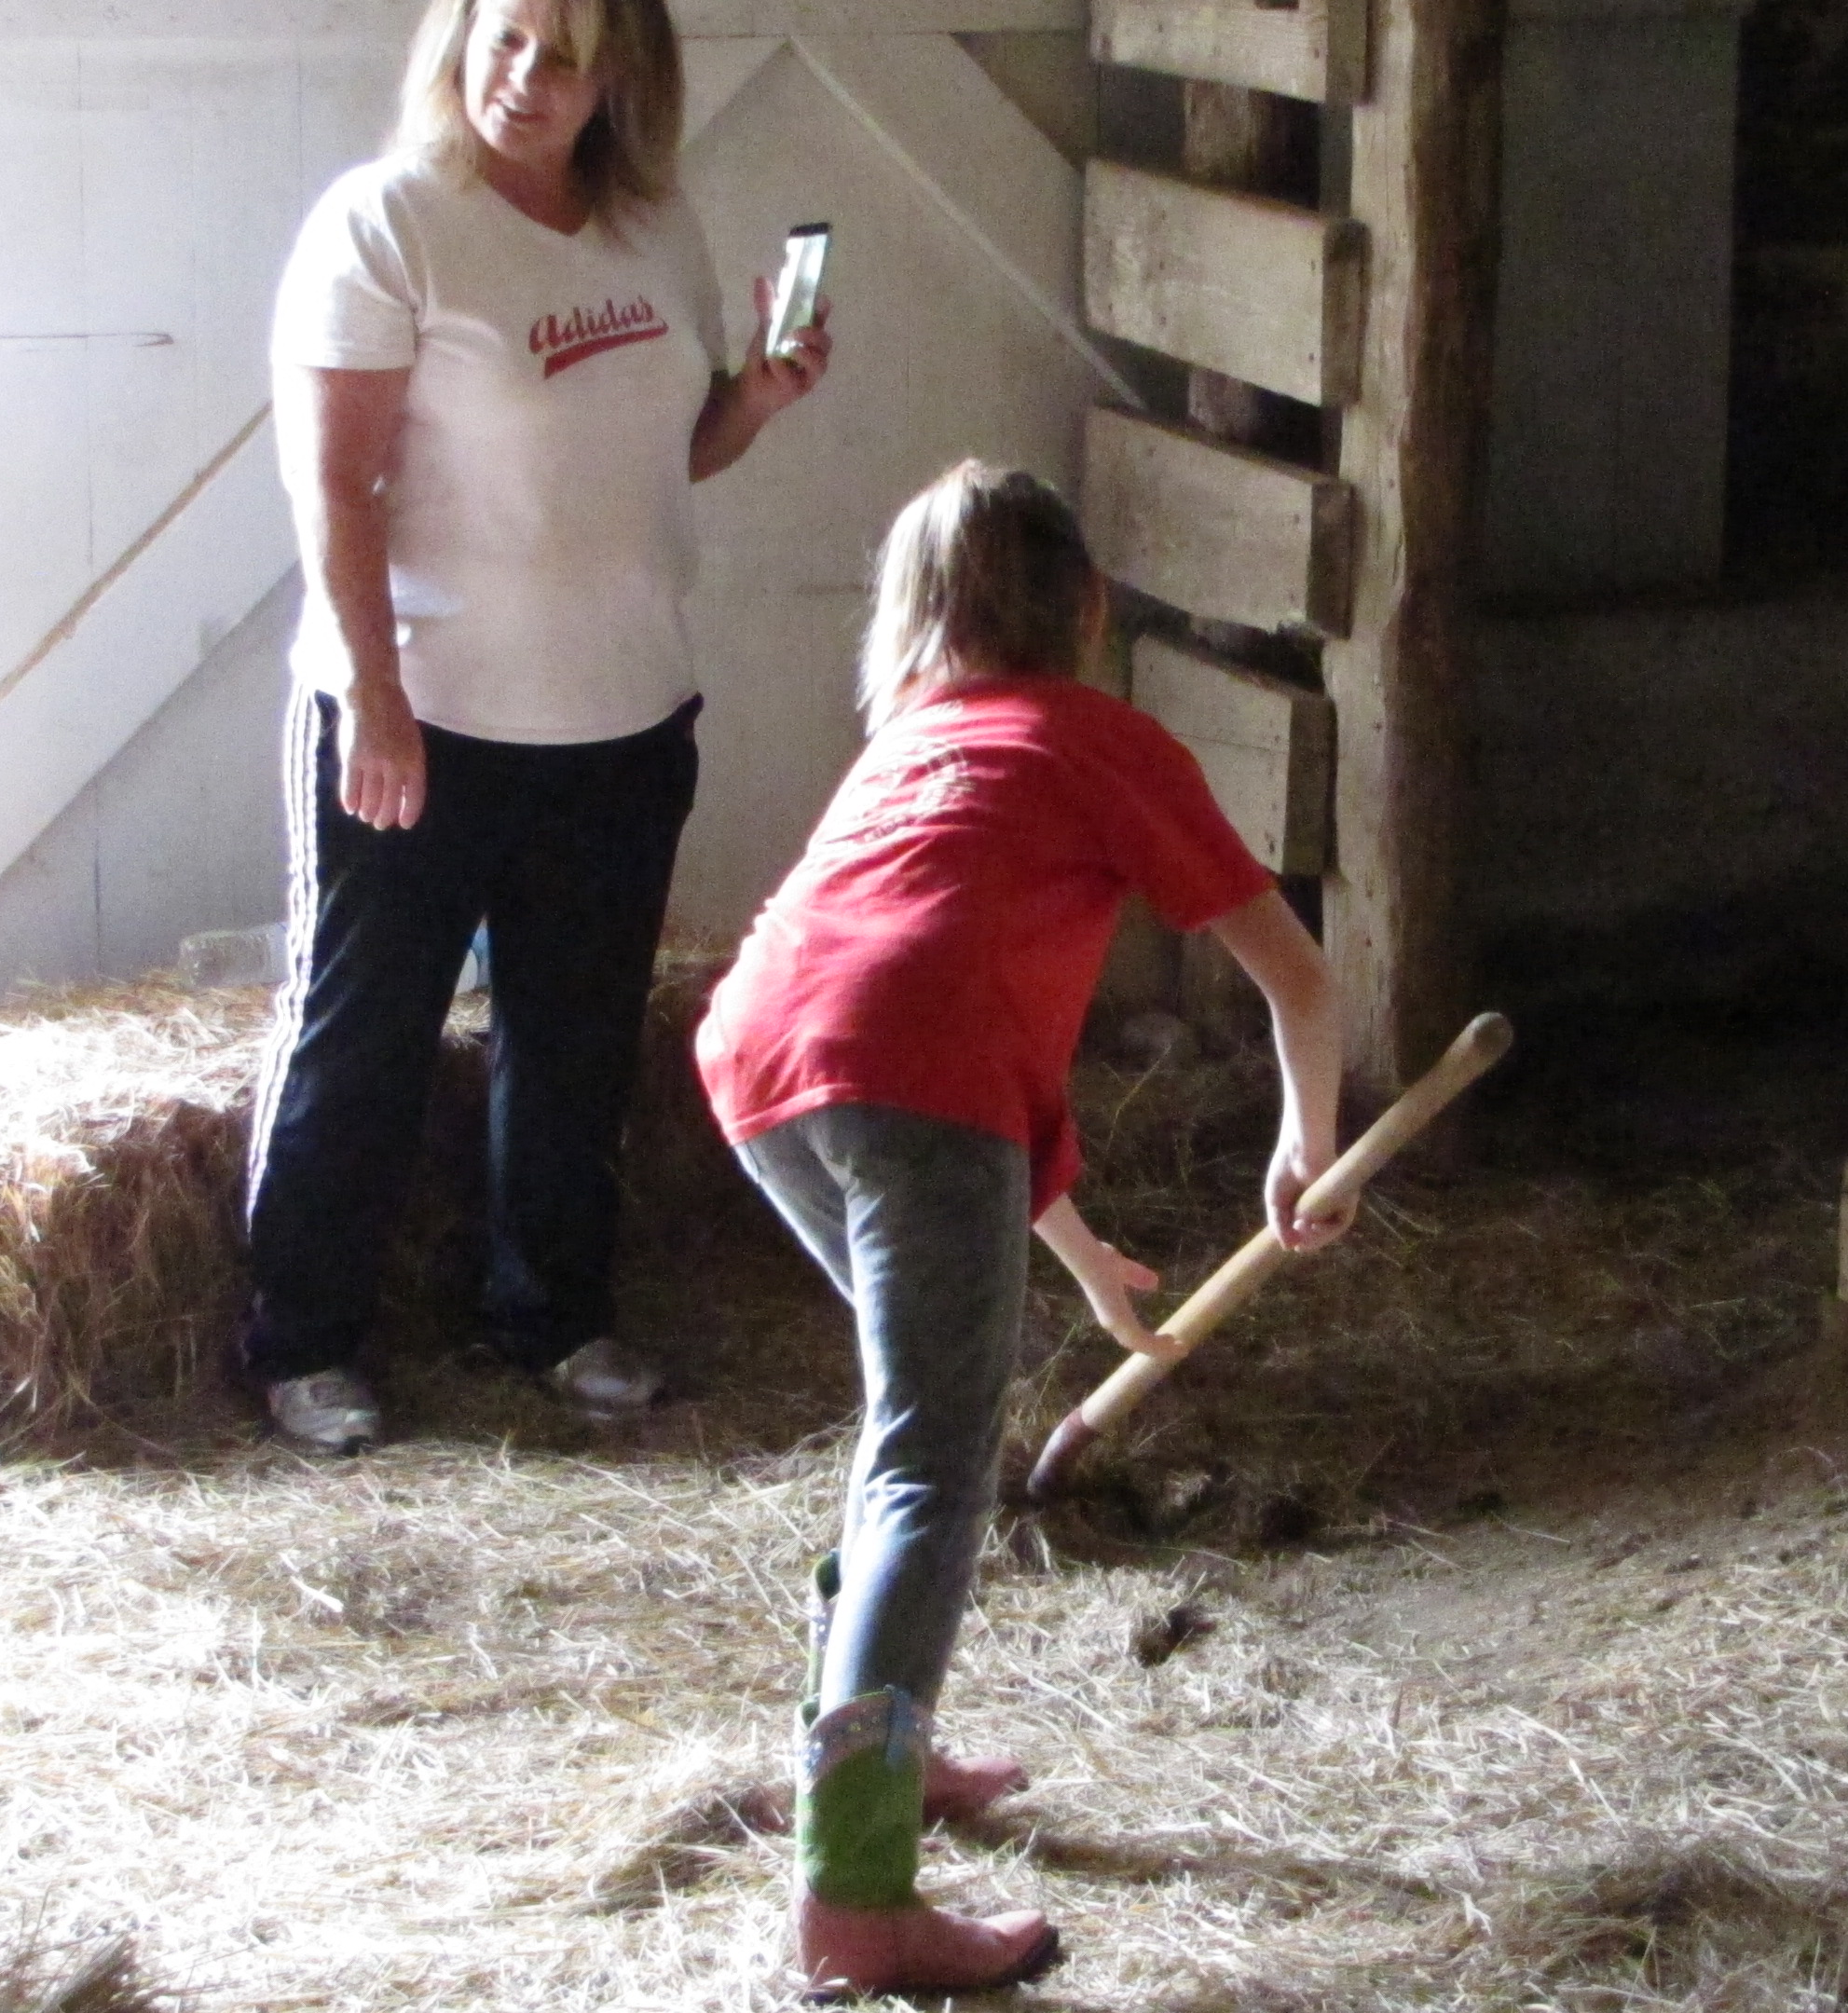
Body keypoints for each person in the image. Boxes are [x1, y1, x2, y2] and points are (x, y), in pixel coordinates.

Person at [694, 461, 1353, 1997]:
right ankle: (855, 1896)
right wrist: (1304, 1155)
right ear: (1094, 611)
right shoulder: (1098, 739)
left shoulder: (909, 747)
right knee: (933, 1460)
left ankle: (873, 1746)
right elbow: (1301, 980)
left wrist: (1079, 1256)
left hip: (757, 1066)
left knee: (903, 1428)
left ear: (916, 616)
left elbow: (911, 1011)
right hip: (899, 1083)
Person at [244, 0, 828, 1454]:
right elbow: (335, 488)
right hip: (428, 716)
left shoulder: (653, 229)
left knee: (573, 1041)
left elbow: (663, 450)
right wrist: (374, 697)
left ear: (618, 76)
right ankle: (305, 1340)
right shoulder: (388, 223)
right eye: (504, 38)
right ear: (458, 43)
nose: (524, 76)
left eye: (562, 54)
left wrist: (751, 401)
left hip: (623, 710)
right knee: (364, 1033)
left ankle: (551, 1314)